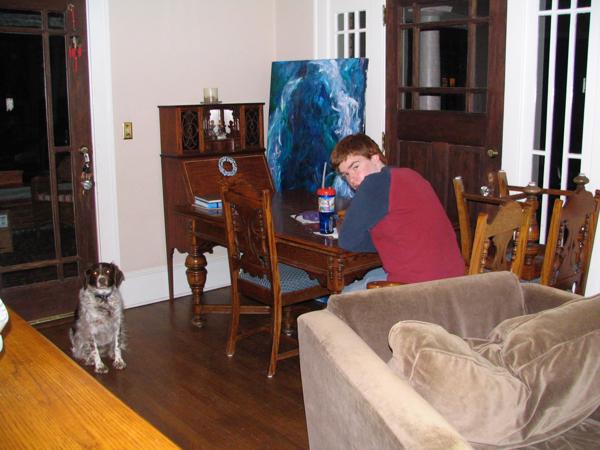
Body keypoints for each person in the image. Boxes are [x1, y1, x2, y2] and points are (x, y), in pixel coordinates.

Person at [331, 133, 464, 292]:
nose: (352, 179)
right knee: (371, 275)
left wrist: (379, 238)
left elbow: (348, 240)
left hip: (420, 289)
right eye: (346, 174)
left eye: (355, 167)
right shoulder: (410, 174)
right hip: (455, 281)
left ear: (375, 158)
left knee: (344, 295)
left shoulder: (374, 183)